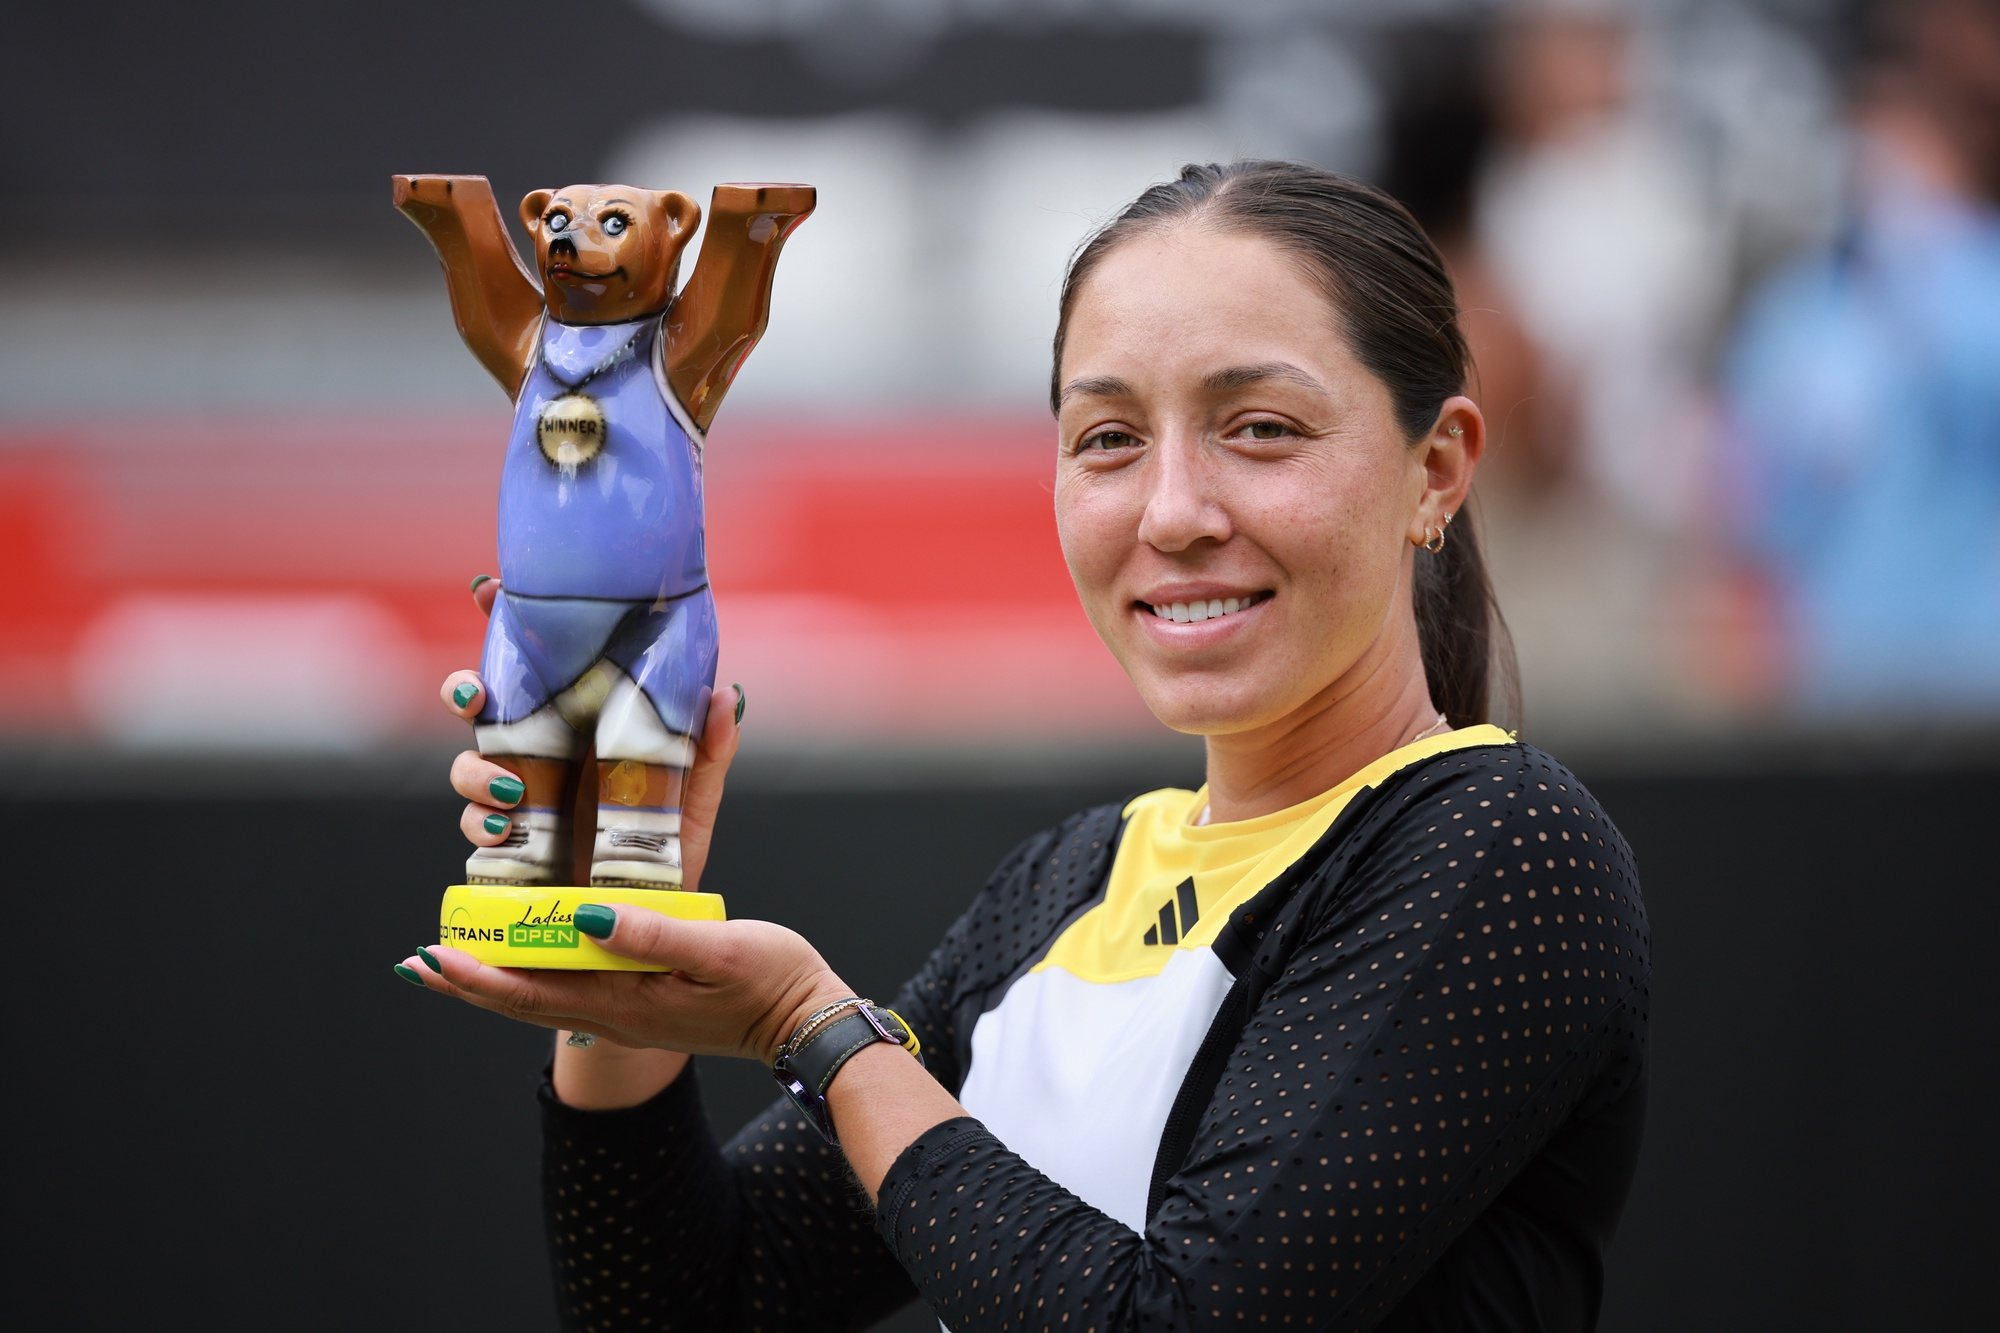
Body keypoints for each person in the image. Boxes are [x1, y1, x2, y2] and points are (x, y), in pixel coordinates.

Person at [396, 161, 1651, 1332]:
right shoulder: (1064, 889)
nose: (1171, 512)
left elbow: (1178, 1314)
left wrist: (815, 1029)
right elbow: (685, 1305)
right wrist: (617, 963)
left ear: (1435, 469)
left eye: (1259, 427)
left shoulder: (1500, 844)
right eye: (1107, 439)